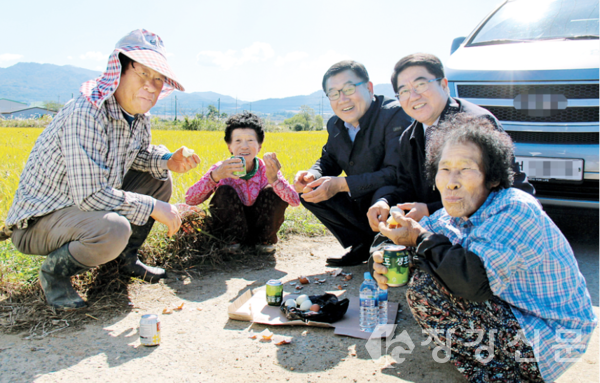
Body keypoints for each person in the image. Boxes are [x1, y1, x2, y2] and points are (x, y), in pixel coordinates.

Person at [372, 114, 596, 382]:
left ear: (491, 178)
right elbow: (421, 237)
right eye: (444, 169)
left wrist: (419, 239)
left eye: (465, 169)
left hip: (554, 336)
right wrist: (385, 256)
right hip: (517, 312)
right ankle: (492, 368)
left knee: (429, 284)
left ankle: (510, 374)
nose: (451, 181)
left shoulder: (514, 208)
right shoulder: (453, 213)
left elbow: (471, 280)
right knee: (425, 268)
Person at [3, 29, 200, 309]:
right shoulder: (87, 111)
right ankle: (54, 275)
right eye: (142, 73)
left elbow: (136, 156)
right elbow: (91, 195)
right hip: (41, 221)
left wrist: (167, 160)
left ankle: (125, 260)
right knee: (114, 229)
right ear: (118, 69)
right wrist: (154, 207)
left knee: (159, 178)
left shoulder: (137, 117)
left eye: (158, 78)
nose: (151, 85)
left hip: (79, 211)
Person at [367, 53, 533, 231]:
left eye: (421, 85)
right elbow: (406, 186)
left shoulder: (475, 124)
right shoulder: (409, 138)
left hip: (495, 227)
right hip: (445, 228)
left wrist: (431, 210)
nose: (413, 96)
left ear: (444, 85)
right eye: (404, 91)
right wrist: (385, 202)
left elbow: (499, 191)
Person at [294, 60, 412, 266]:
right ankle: (362, 243)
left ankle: (391, 244)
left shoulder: (394, 114)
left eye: (349, 89)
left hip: (393, 200)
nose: (343, 99)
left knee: (383, 192)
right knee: (310, 192)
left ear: (369, 88)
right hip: (360, 201)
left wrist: (341, 184)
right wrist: (312, 174)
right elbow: (328, 159)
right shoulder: (336, 124)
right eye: (334, 93)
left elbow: (396, 173)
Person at [185, 111, 299, 253]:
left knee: (273, 191)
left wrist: (274, 180)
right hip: (230, 229)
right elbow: (190, 199)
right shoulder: (221, 169)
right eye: (238, 141)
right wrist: (214, 177)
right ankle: (231, 241)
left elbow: (295, 200)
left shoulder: (266, 169)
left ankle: (264, 241)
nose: (244, 146)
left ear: (259, 146)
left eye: (250, 140)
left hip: (260, 228)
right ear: (229, 146)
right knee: (224, 191)